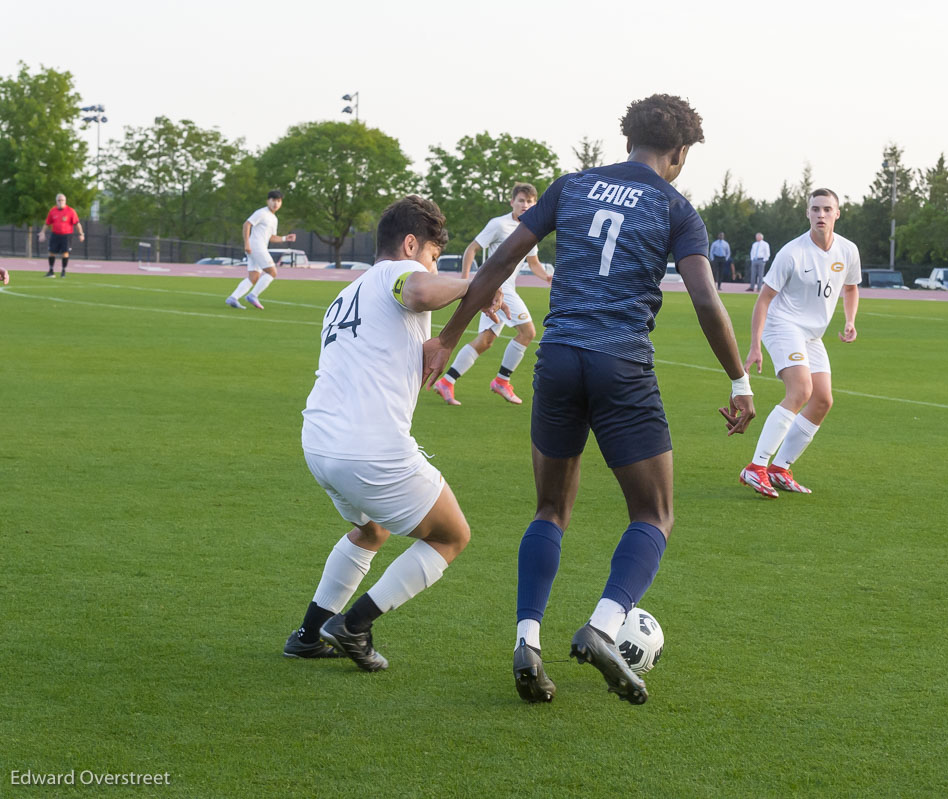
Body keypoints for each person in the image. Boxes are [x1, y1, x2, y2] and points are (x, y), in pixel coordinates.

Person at [424, 94, 756, 706]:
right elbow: (707, 300)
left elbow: (501, 261)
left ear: (629, 137)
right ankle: (604, 627)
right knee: (653, 513)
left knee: (550, 508)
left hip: (557, 357)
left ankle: (527, 640)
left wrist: (447, 336)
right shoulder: (677, 208)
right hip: (621, 361)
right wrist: (738, 378)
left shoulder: (571, 186)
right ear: (680, 153)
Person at [284, 195, 497, 672]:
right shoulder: (394, 276)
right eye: (432, 257)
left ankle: (307, 634)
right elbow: (418, 291)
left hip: (318, 442)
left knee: (370, 529)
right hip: (369, 448)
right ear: (409, 244)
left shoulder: (345, 295)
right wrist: (472, 284)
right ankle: (353, 624)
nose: (433, 269)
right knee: (451, 536)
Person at [739, 189, 860, 498]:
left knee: (822, 401)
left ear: (837, 213)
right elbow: (763, 300)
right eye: (815, 209)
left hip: (812, 334)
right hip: (783, 326)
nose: (821, 214)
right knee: (801, 391)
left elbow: (850, 288)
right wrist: (755, 345)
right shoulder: (792, 252)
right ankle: (756, 467)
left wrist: (850, 320)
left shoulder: (848, 251)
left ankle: (780, 469)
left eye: (827, 209)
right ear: (807, 213)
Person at [433, 183, 553, 406]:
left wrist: (546, 277)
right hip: (498, 288)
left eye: (530, 201)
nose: (525, 205)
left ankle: (447, 382)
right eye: (521, 200)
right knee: (527, 332)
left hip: (504, 289)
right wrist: (466, 279)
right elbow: (472, 248)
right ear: (512, 202)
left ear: (535, 203)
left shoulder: (533, 228)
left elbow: (533, 263)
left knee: (485, 341)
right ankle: (501, 381)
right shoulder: (498, 224)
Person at [225, 190, 296, 310]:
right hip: (256, 246)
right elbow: (247, 224)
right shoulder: (262, 213)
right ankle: (253, 295)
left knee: (253, 277)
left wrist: (285, 238)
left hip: (257, 247)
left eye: (278, 201)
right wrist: (247, 243)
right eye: (273, 200)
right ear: (268, 201)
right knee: (272, 272)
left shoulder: (273, 218)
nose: (276, 203)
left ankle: (233, 298)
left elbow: (272, 237)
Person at [37, 194, 84, 278]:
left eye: (62, 200)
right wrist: (42, 232)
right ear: (56, 201)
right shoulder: (52, 211)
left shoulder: (70, 211)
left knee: (65, 253)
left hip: (66, 235)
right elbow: (47, 223)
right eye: (59, 200)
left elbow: (77, 224)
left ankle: (63, 271)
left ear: (65, 201)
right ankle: (51, 271)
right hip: (55, 234)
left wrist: (81, 234)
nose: (61, 202)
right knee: (51, 252)